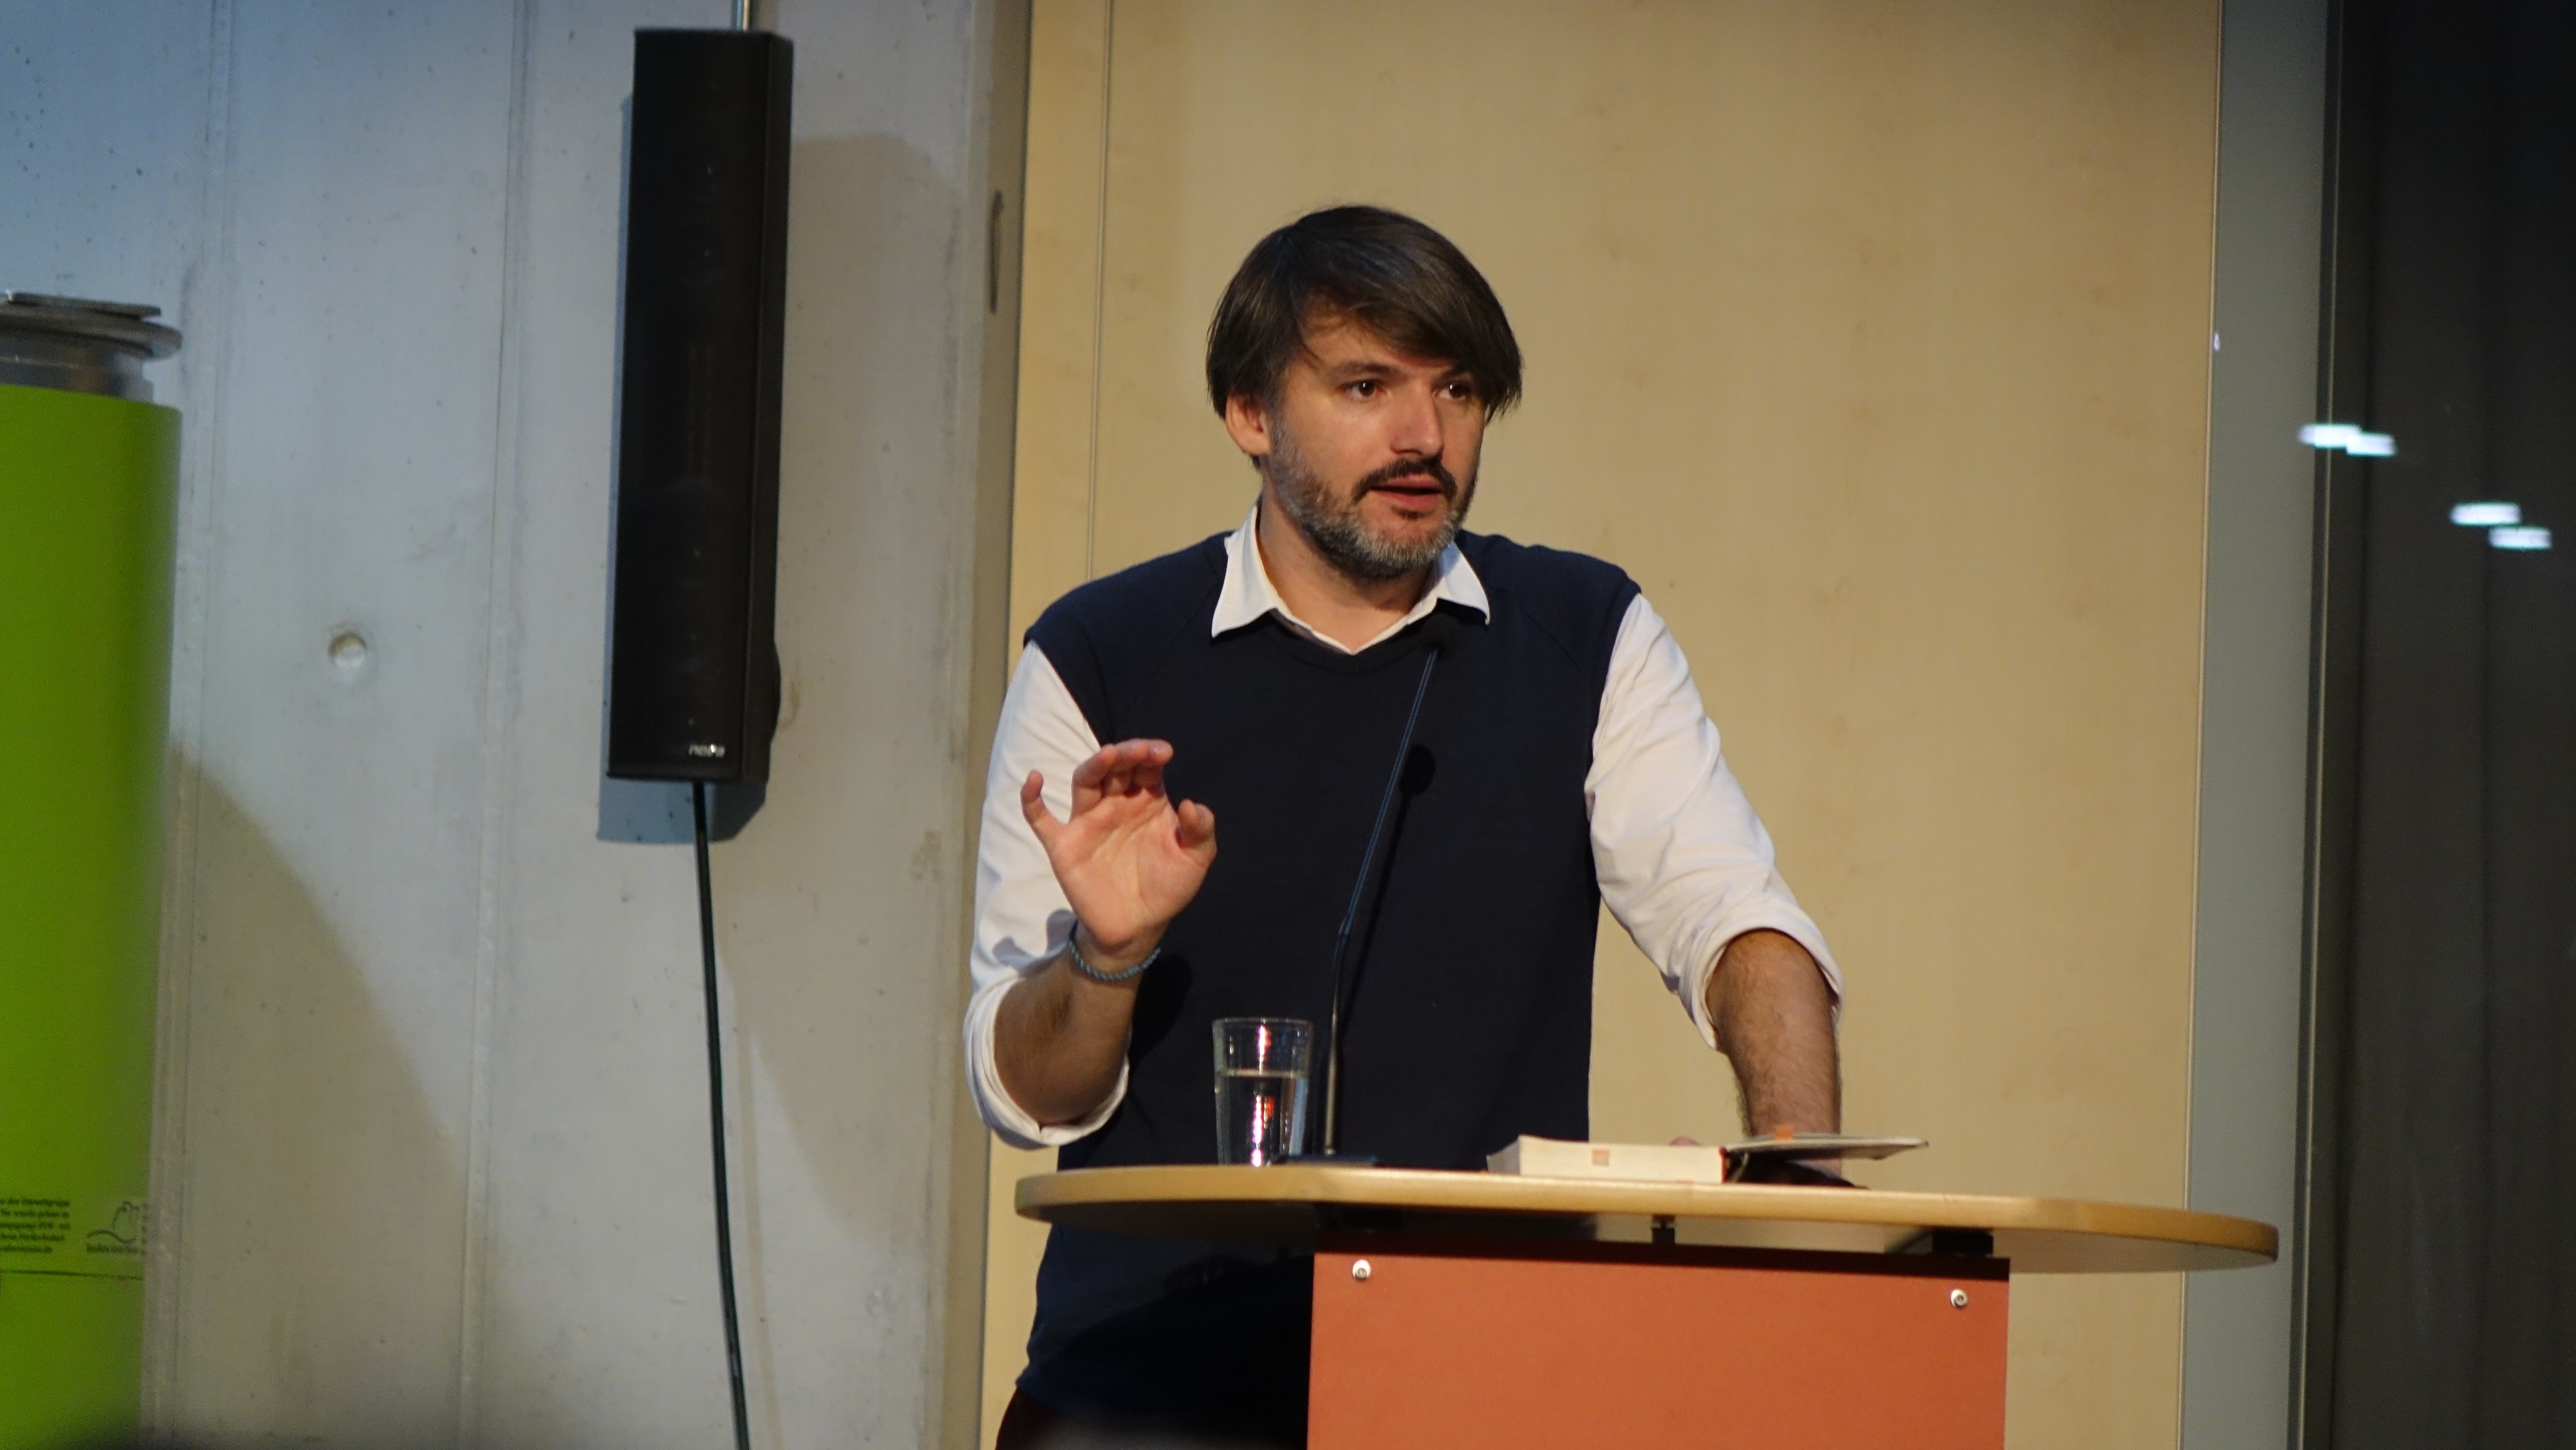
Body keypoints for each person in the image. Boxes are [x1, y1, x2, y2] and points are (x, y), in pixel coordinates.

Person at [964, 205, 1843, 1448]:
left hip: (1482, 1376)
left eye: (1459, 391)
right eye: (1366, 387)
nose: (1424, 436)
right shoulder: (1101, 654)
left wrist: (1798, 1164)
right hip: (1147, 1389)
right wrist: (1108, 957)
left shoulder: (1585, 634)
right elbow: (1024, 1094)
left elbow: (1735, 918)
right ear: (1251, 413)